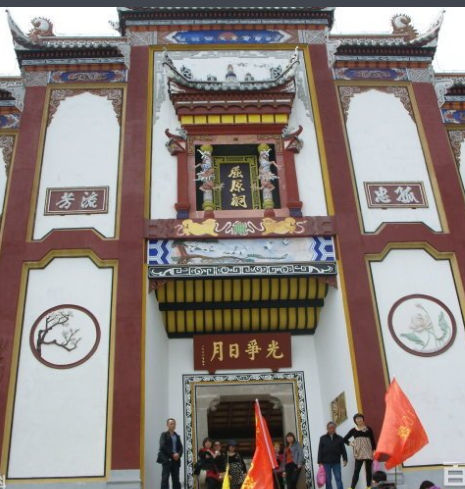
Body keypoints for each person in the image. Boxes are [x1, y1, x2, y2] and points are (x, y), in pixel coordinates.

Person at [344, 414, 376, 489]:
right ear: (355, 420)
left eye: (360, 418)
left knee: (368, 470)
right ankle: (352, 487)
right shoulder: (353, 430)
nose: (359, 420)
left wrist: (374, 450)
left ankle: (368, 486)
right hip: (359, 452)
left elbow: (372, 440)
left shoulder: (368, 429)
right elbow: (345, 439)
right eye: (357, 418)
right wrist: (352, 444)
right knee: (356, 470)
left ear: (363, 419)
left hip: (368, 451)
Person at [318, 422, 348, 489]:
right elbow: (320, 450)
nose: (332, 429)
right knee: (328, 480)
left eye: (333, 428)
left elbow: (343, 450)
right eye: (330, 428)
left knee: (338, 478)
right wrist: (320, 462)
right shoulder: (322, 438)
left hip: (336, 462)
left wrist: (345, 459)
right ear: (327, 429)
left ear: (335, 428)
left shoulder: (340, 438)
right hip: (326, 462)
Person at [159, 418, 183, 489]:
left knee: (176, 479)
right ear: (167, 425)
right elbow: (162, 446)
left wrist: (178, 454)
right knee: (165, 478)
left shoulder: (177, 436)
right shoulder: (164, 435)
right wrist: (172, 454)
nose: (173, 425)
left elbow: (181, 448)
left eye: (174, 424)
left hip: (176, 460)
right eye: (171, 424)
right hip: (167, 459)